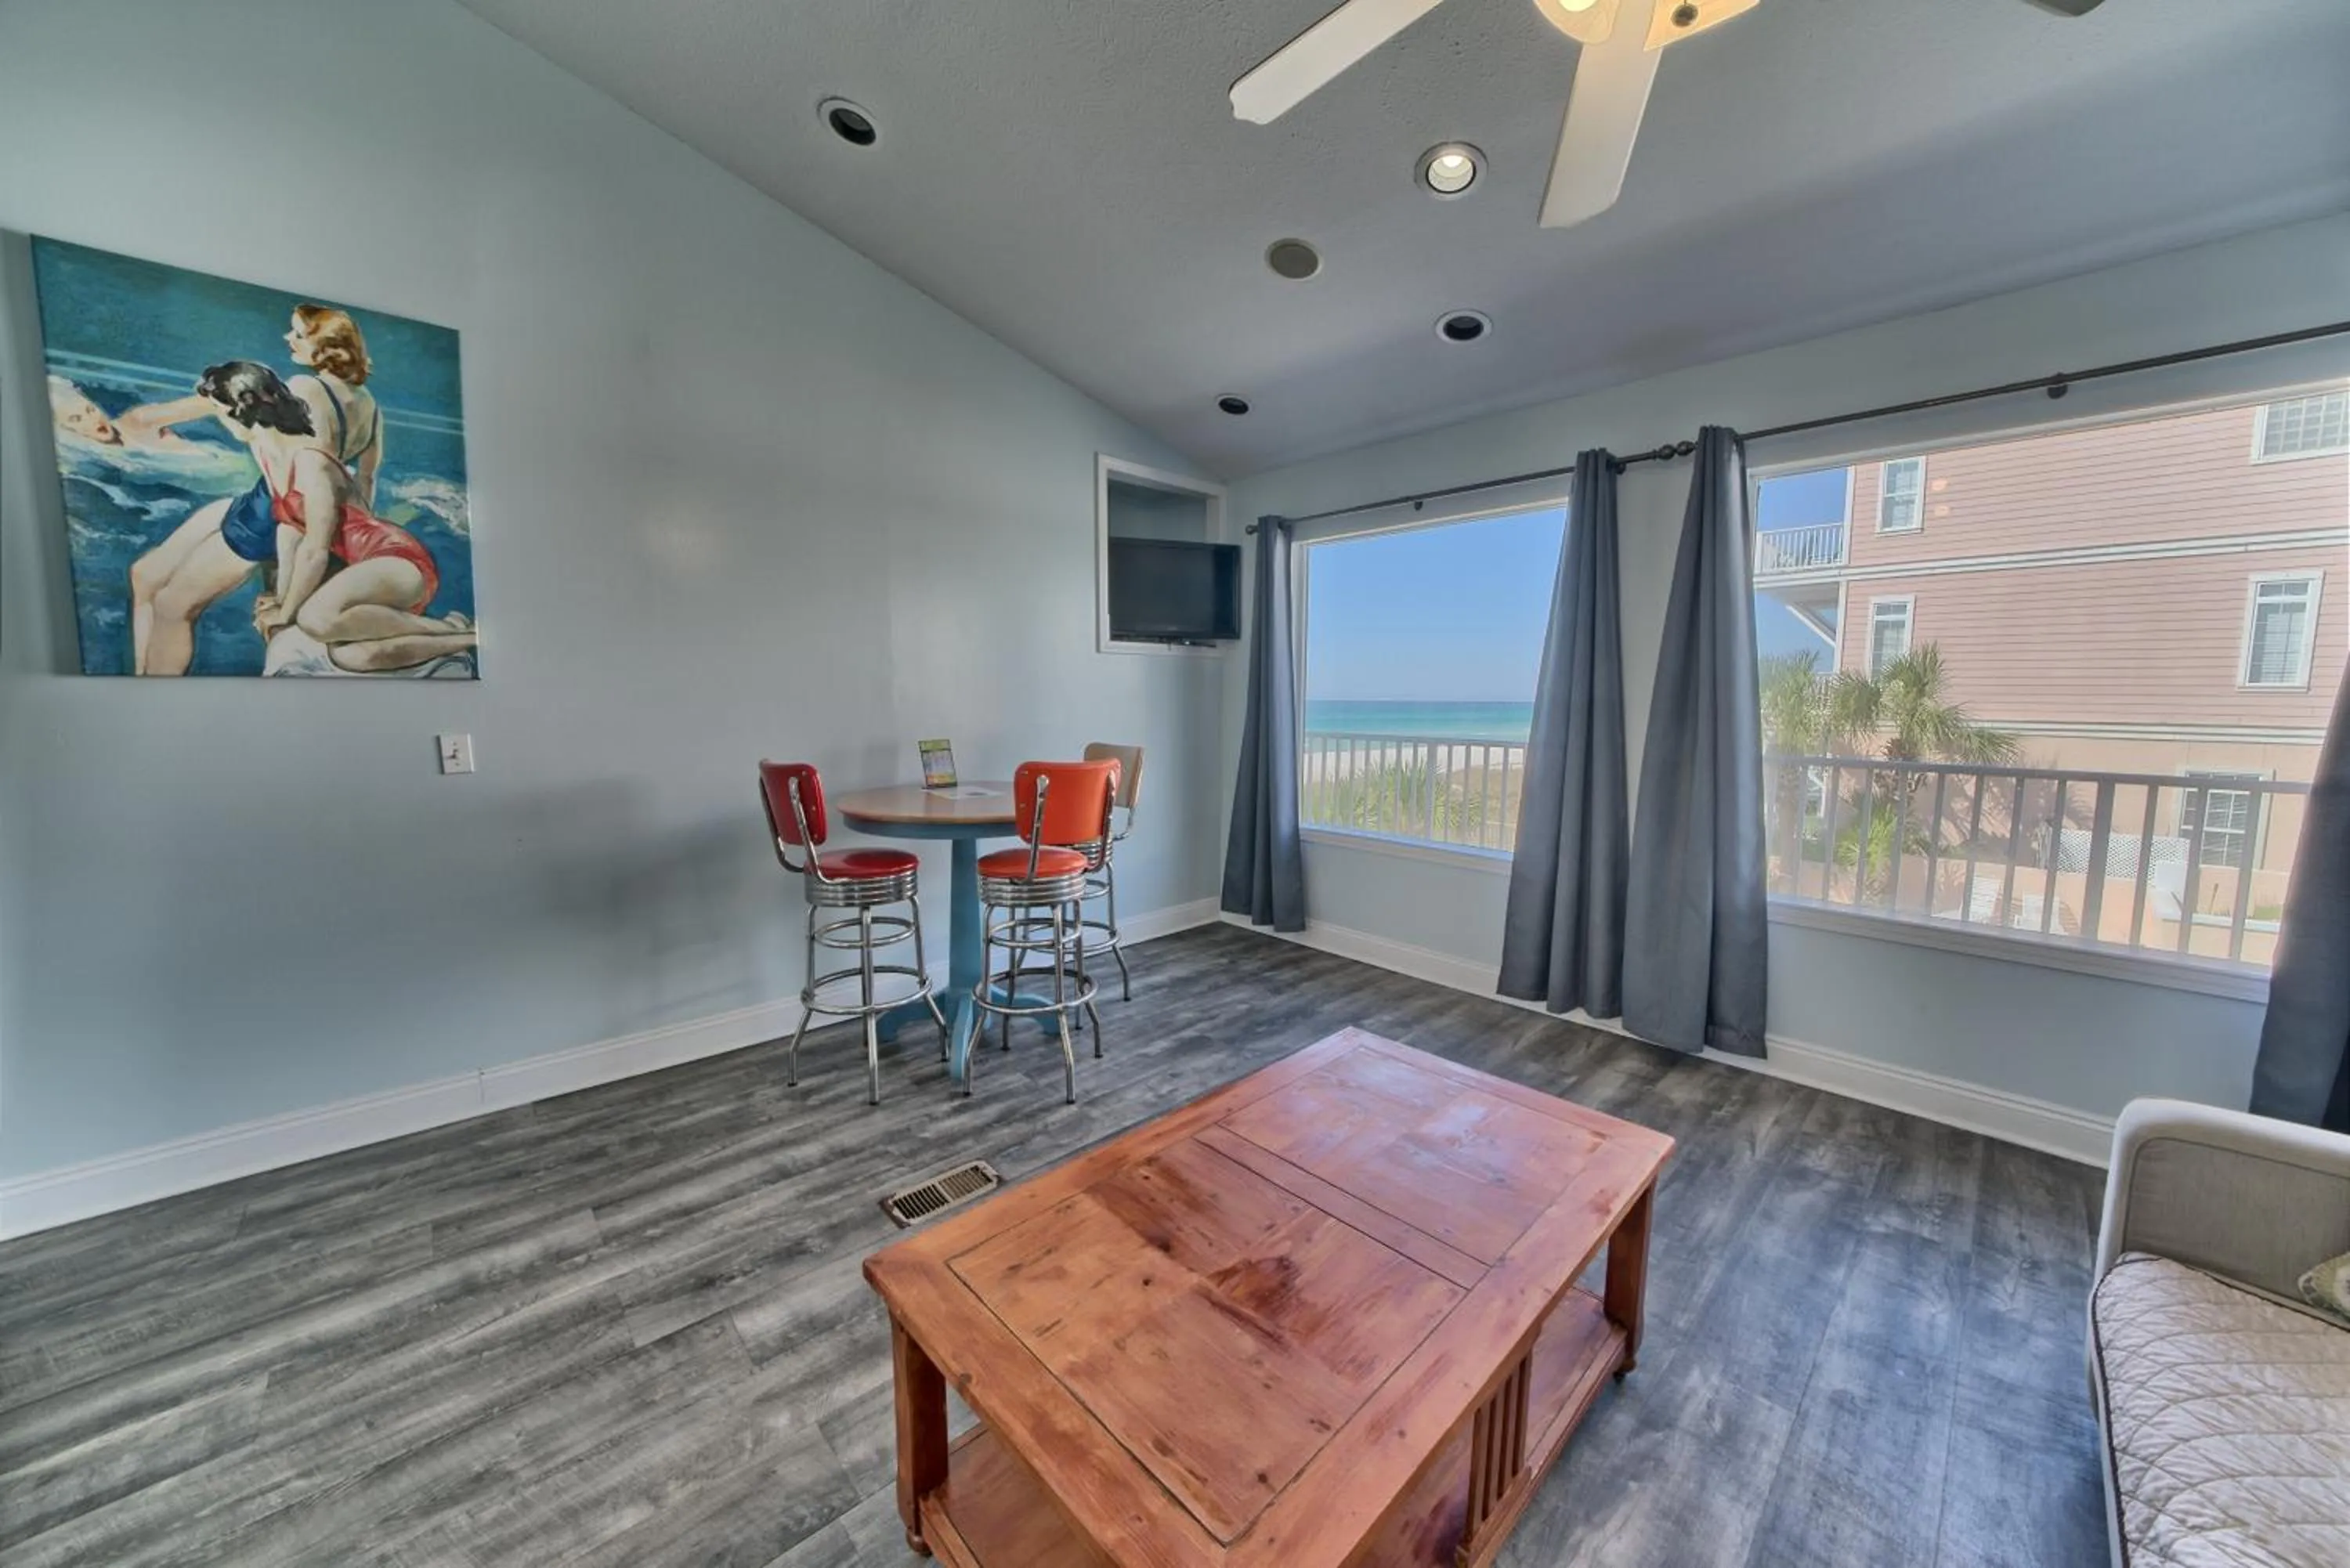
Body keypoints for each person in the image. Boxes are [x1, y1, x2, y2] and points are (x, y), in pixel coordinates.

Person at [137, 362, 472, 675]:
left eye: (222, 414)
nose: (221, 422)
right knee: (348, 655)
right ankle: (460, 637)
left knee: (314, 618)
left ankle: (452, 630)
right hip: (365, 569)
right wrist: (283, 601)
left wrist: (286, 612)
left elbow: (315, 551)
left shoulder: (311, 463)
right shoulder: (266, 453)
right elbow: (289, 534)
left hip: (395, 560)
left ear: (244, 410)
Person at [123, 306, 397, 673]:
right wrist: (348, 535)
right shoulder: (372, 408)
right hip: (271, 504)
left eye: (299, 334)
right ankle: (141, 674)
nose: (289, 339)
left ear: (328, 349)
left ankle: (156, 686)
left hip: (273, 516)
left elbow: (262, 436)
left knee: (174, 607)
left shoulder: (304, 387)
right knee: (145, 574)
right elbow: (365, 480)